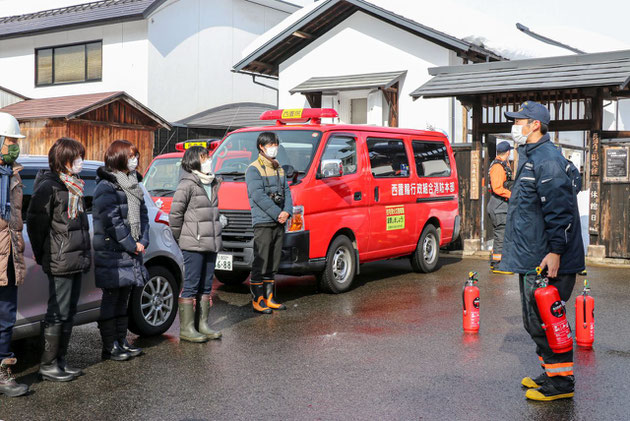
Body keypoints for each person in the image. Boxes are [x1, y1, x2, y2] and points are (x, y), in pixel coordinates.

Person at [500, 101, 585, 401]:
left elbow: (560, 210)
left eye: (518, 121)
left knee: (546, 319)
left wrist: (556, 252)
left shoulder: (546, 158)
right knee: (534, 320)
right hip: (532, 256)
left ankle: (562, 384)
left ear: (534, 125)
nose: (514, 127)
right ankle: (552, 372)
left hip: (547, 258)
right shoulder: (532, 156)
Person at [27, 137, 91, 382]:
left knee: (70, 310)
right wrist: (43, 254)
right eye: (77, 158)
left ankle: (61, 361)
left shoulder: (74, 185)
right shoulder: (49, 186)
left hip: (75, 257)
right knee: (58, 310)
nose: (80, 162)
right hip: (60, 258)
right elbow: (35, 223)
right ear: (64, 160)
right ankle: (48, 364)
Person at [93, 140, 149, 361]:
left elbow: (143, 216)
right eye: (131, 156)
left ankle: (122, 341)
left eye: (136, 155)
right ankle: (110, 346)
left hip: (132, 250)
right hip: (113, 251)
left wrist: (143, 240)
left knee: (124, 298)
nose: (135, 160)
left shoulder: (135, 183)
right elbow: (112, 222)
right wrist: (130, 244)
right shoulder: (106, 186)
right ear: (119, 157)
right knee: (112, 298)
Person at [169, 146, 223, 343]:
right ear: (193, 160)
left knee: (206, 285)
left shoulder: (212, 182)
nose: (208, 159)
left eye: (208, 156)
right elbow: (175, 215)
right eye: (204, 157)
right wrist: (182, 238)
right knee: (191, 285)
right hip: (193, 243)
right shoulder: (187, 184)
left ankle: (203, 325)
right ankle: (187, 328)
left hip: (212, 241)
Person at [245, 132, 293, 314]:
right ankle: (257, 299)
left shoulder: (278, 168)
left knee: (274, 261)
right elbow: (257, 196)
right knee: (261, 261)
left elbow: (287, 191)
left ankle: (269, 297)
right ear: (261, 147)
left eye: (275, 144)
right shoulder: (253, 169)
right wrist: (277, 213)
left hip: (279, 221)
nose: (274, 147)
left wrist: (287, 211)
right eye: (270, 144)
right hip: (263, 221)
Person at [0, 112, 28, 396]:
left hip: (9, 256)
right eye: (10, 140)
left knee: (6, 317)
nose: (14, 145)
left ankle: (3, 373)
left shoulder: (14, 174)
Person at [487, 141, 514, 274]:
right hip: (499, 204)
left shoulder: (502, 164)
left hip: (499, 204)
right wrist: (512, 195)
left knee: (500, 235)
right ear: (508, 152)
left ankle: (495, 261)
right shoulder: (498, 167)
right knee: (501, 235)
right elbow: (497, 188)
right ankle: (498, 265)